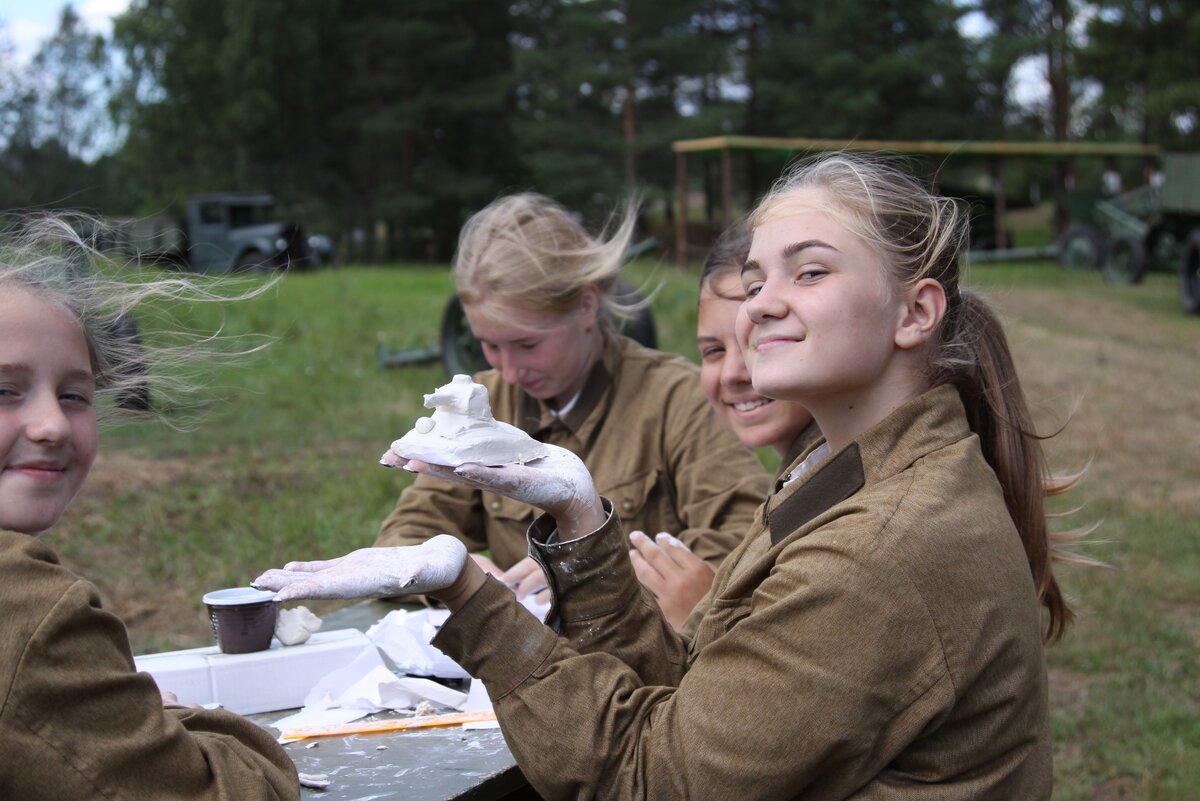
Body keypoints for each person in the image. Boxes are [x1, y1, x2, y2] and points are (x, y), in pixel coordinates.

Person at [256, 152, 1086, 800]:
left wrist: (476, 605)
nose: (756, 304)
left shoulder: (881, 549)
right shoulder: (839, 473)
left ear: (915, 312)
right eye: (756, 280)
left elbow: (654, 780)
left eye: (810, 271)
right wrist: (583, 525)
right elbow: (689, 696)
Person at [0, 216, 298, 801]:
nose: (53, 425)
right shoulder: (31, 613)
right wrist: (166, 717)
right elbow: (237, 791)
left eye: (74, 395)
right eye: (3, 390)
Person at [374, 192, 769, 608]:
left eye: (527, 344)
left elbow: (747, 541)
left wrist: (606, 572)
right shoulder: (486, 407)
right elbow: (403, 537)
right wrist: (455, 572)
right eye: (489, 345)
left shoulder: (676, 400)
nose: (508, 371)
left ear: (586, 305)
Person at [629, 220, 821, 631]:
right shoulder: (799, 481)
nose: (734, 372)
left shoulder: (841, 506)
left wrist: (706, 615)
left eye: (759, 340)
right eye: (713, 351)